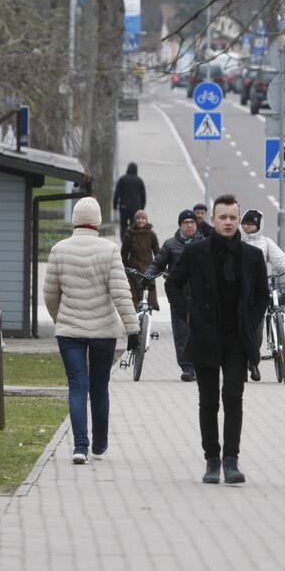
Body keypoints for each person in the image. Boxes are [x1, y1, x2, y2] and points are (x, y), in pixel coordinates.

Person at [167, 194, 268, 485]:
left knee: (233, 398)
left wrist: (251, 319)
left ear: (239, 220)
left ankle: (231, 460)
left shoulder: (251, 256)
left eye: (233, 218)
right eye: (222, 217)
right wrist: (187, 312)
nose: (228, 222)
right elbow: (173, 282)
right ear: (212, 220)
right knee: (208, 401)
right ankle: (212, 459)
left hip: (237, 339)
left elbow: (261, 295)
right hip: (205, 337)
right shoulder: (197, 252)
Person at [44, 197, 140, 465]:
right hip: (103, 332)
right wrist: (133, 329)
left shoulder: (59, 250)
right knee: (99, 386)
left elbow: (50, 294)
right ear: (97, 221)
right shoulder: (109, 250)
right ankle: (100, 443)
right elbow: (121, 293)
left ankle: (80, 447)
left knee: (77, 386)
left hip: (69, 332)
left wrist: (59, 318)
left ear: (75, 220)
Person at [239, 208, 285, 381]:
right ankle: (239, 364)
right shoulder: (236, 240)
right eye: (245, 223)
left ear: (259, 225)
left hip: (258, 291)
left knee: (257, 330)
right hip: (238, 291)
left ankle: (253, 363)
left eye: (252, 224)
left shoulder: (265, 243)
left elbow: (280, 260)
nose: (247, 227)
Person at [145, 210, 206, 382]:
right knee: (181, 333)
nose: (189, 225)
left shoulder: (205, 243)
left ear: (196, 225)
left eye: (192, 222)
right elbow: (157, 263)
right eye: (185, 222)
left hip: (200, 295)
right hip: (178, 294)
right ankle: (187, 367)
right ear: (180, 225)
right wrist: (148, 275)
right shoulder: (170, 244)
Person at [121, 209, 161, 311]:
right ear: (135, 220)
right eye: (138, 218)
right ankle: (136, 318)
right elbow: (124, 254)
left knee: (148, 296)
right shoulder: (129, 234)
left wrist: (160, 266)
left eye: (143, 218)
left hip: (149, 269)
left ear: (146, 220)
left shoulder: (151, 235)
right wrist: (125, 267)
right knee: (134, 295)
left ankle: (147, 317)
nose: (140, 221)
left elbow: (158, 253)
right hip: (133, 270)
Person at [113, 163, 146, 238]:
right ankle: (133, 240)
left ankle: (124, 240)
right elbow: (143, 196)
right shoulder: (139, 181)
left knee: (123, 225)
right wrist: (142, 208)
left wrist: (115, 205)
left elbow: (117, 193)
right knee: (134, 225)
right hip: (135, 208)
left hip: (124, 207)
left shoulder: (122, 179)